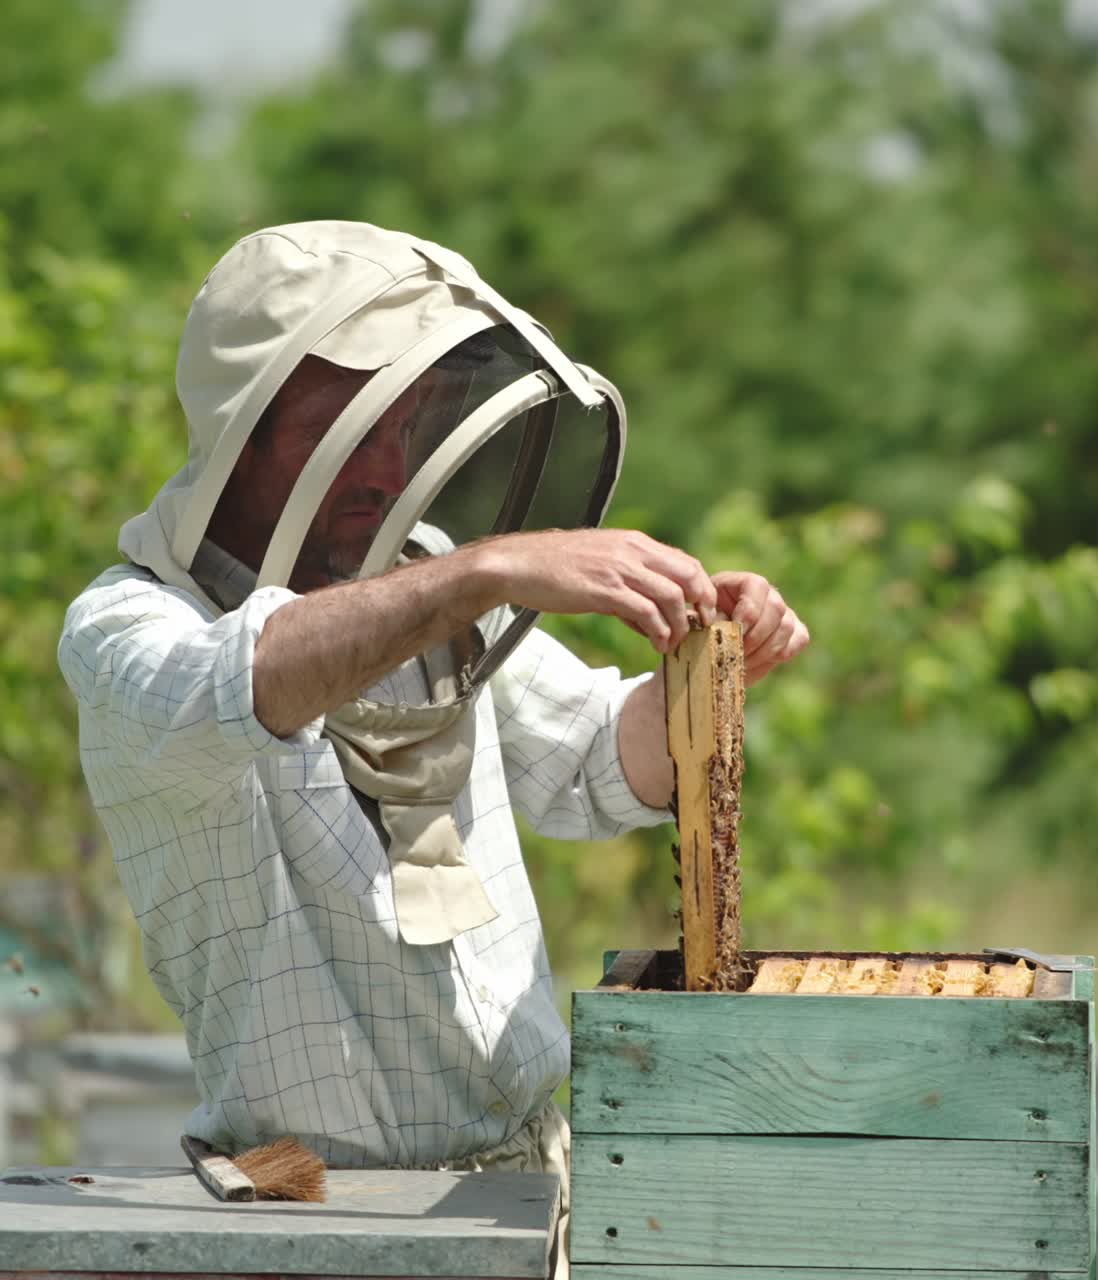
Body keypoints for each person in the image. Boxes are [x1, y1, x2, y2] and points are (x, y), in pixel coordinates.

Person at [57, 221, 807, 1263]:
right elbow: (250, 680)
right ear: (247, 424)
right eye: (351, 427)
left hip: (534, 1187)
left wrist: (706, 671)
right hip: (314, 1212)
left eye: (405, 427)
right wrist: (485, 571)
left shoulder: (424, 572)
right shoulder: (128, 628)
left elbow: (594, 762)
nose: (387, 464)